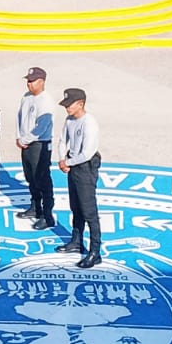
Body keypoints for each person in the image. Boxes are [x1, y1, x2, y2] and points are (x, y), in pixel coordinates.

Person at [57, 87, 103, 268]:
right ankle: (76, 240)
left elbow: (87, 153)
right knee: (75, 206)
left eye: (70, 104)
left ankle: (95, 251)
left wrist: (67, 162)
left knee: (89, 211)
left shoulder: (89, 123)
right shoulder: (69, 120)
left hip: (84, 168)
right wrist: (62, 158)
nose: (67, 108)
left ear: (81, 104)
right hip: (72, 165)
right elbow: (63, 140)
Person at [14, 68, 56, 231]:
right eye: (28, 81)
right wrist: (19, 136)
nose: (29, 84)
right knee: (30, 177)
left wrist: (25, 139)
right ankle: (35, 207)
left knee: (42, 179)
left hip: (39, 144)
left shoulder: (46, 101)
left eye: (32, 81)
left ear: (42, 81)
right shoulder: (26, 97)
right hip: (26, 144)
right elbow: (20, 117)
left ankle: (47, 216)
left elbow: (42, 127)